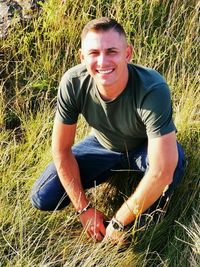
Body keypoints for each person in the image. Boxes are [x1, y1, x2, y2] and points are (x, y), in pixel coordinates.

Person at [30, 17, 185, 244]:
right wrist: (84, 210)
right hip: (103, 145)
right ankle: (116, 175)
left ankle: (134, 220)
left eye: (112, 51)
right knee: (42, 197)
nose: (102, 61)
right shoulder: (73, 82)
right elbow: (61, 150)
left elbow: (162, 171)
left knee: (166, 179)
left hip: (145, 147)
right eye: (93, 53)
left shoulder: (152, 88)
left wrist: (120, 219)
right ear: (82, 57)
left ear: (127, 54)